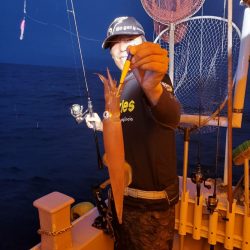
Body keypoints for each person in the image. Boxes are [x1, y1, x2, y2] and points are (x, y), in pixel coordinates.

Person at [86, 16, 181, 250]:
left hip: (151, 204)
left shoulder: (150, 78)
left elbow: (171, 116)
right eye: (114, 43)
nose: (122, 47)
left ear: (143, 41)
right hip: (124, 198)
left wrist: (153, 87)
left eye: (129, 39)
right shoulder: (121, 86)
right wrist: (102, 125)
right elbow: (127, 126)